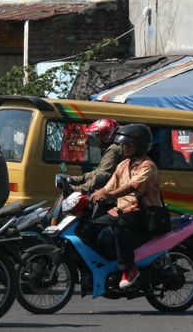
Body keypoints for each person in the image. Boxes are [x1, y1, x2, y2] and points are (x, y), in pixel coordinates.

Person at [89, 124, 161, 289]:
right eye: (123, 143)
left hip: (143, 213)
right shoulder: (122, 165)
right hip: (122, 211)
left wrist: (107, 196)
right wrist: (93, 195)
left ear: (141, 144)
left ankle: (130, 269)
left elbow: (131, 187)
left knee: (119, 226)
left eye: (130, 143)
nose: (125, 146)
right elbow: (109, 186)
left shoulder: (147, 166)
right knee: (91, 226)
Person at [71, 119, 123, 194]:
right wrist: (77, 179)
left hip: (114, 196)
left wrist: (79, 189)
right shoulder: (112, 148)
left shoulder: (114, 149)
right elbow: (99, 171)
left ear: (107, 135)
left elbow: (104, 174)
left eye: (97, 136)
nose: (95, 139)